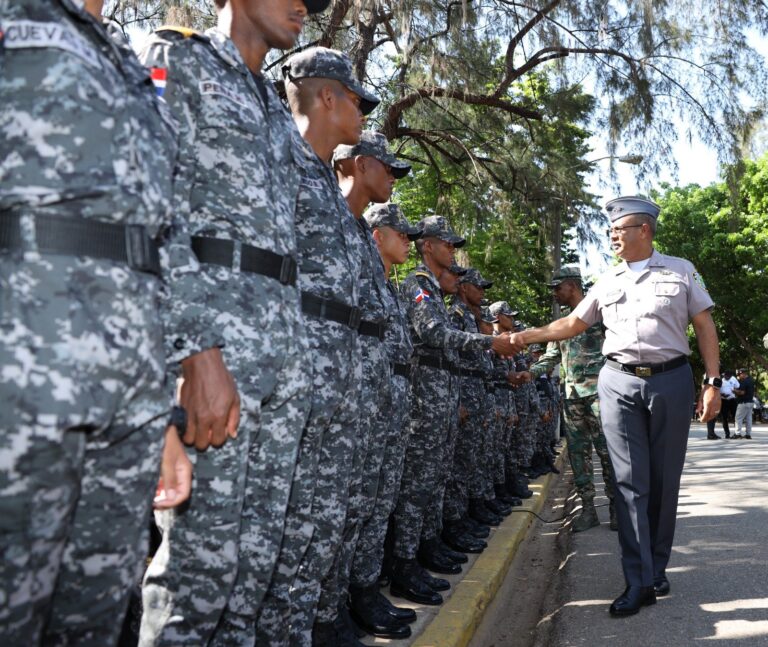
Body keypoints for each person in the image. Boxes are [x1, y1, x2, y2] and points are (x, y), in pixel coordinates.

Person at [0, 1, 194, 644]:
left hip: (128, 391)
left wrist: (164, 416)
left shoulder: (126, 61)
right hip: (23, 370)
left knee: (96, 620)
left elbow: (154, 239)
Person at [138, 0, 329, 643]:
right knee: (199, 577)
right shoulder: (179, 58)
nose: (305, 6)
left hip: (282, 350)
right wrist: (196, 351)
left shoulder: (276, 108)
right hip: (218, 344)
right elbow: (151, 204)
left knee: (254, 575)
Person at [509, 196, 720, 617]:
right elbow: (572, 324)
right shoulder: (607, 281)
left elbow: (704, 324)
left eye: (619, 230)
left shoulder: (680, 270)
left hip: (671, 380)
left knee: (662, 481)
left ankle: (655, 567)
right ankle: (637, 580)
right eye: (611, 231)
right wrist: (522, 337)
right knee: (628, 483)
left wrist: (712, 382)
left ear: (644, 230)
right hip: (619, 382)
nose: (612, 237)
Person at [253, 46, 377, 647]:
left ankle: (301, 630)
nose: (362, 112)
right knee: (275, 527)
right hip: (293, 368)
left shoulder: (327, 183)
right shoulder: (281, 156)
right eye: (356, 99)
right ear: (327, 96)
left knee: (317, 521)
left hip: (339, 372)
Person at [390, 217, 517, 608]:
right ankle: (404, 562)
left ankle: (427, 546)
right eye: (447, 244)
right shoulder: (418, 285)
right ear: (427, 246)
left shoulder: (434, 291)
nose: (452, 251)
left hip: (442, 395)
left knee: (437, 476)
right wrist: (488, 342)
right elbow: (432, 335)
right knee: (418, 484)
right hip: (426, 398)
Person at [331, 135, 413, 640]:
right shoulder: (335, 216)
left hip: (376, 390)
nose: (393, 179)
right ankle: (333, 608)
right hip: (344, 385)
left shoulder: (360, 239)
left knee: (370, 501)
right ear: (360, 166)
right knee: (340, 504)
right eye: (388, 169)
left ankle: (360, 594)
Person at [528, 266, 617, 533]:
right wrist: (527, 374)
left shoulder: (601, 314)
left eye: (558, 288)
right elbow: (550, 357)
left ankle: (617, 509)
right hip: (572, 396)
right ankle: (588, 509)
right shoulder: (562, 323)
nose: (555, 294)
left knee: (608, 453)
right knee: (579, 453)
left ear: (572, 286)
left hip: (600, 395)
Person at [707, 370, 739, 439]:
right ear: (724, 375)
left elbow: (738, 386)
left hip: (732, 399)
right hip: (724, 400)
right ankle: (727, 433)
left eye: (729, 376)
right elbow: (716, 389)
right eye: (726, 376)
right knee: (724, 418)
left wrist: (734, 391)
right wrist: (722, 394)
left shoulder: (733, 378)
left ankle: (737, 433)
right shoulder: (720, 379)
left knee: (735, 417)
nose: (728, 378)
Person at [733, 368, 755, 439]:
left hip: (743, 402)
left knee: (738, 418)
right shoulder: (751, 380)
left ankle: (737, 433)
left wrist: (734, 391)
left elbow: (742, 392)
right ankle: (748, 434)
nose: (739, 376)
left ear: (743, 374)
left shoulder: (744, 381)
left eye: (740, 374)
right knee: (749, 419)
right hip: (750, 402)